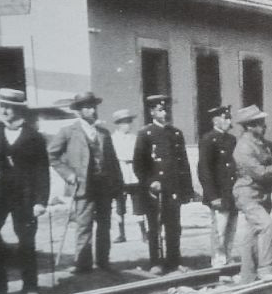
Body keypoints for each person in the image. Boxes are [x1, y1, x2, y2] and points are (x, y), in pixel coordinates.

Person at [0, 89, 49, 294]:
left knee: (26, 240)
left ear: (19, 110)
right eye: (3, 107)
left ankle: (30, 286)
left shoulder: (34, 137)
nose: (5, 111)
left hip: (24, 197)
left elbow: (42, 171)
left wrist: (41, 201)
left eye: (9, 107)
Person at [48, 91, 123, 274]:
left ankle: (103, 261)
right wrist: (68, 174)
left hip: (104, 185)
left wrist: (118, 184)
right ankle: (83, 263)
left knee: (105, 224)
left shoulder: (103, 133)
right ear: (79, 111)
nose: (92, 110)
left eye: (93, 106)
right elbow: (52, 155)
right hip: (83, 185)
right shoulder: (68, 131)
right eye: (87, 107)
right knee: (84, 224)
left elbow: (112, 160)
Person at [231, 105, 272, 283]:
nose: (265, 125)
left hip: (260, 193)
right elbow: (260, 172)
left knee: (252, 232)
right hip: (247, 194)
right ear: (250, 126)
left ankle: (247, 274)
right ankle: (265, 269)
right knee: (266, 226)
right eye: (260, 123)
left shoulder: (259, 142)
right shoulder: (244, 148)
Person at [131, 94, 195, 273]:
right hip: (155, 190)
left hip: (174, 188)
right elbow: (138, 164)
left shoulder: (176, 133)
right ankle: (156, 262)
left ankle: (174, 261)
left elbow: (183, 164)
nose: (164, 112)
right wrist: (151, 182)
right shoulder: (145, 134)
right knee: (155, 227)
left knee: (174, 225)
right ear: (152, 112)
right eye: (160, 110)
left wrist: (187, 189)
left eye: (166, 109)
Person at [196, 105, 238, 269]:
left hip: (232, 192)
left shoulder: (231, 139)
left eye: (229, 118)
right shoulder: (208, 140)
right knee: (219, 229)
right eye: (225, 118)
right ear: (216, 120)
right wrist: (212, 196)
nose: (229, 121)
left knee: (231, 228)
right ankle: (218, 259)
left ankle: (227, 256)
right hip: (219, 193)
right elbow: (204, 170)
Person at [109, 108, 139, 244]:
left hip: (133, 173)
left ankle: (144, 232)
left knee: (138, 203)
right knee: (119, 205)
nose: (128, 125)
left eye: (129, 122)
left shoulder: (135, 138)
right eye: (125, 122)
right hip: (119, 173)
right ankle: (121, 234)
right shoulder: (112, 139)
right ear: (119, 124)